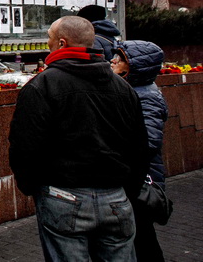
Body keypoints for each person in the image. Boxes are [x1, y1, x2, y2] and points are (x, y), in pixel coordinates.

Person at [9, 16, 149, 262]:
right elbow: (139, 146)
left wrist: (33, 188)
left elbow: (25, 147)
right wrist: (128, 189)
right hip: (115, 198)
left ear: (62, 43)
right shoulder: (122, 87)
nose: (47, 43)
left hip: (63, 196)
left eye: (49, 38)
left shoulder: (42, 86)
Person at [110, 40, 169, 262]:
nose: (113, 61)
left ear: (136, 66)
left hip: (141, 179)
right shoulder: (132, 89)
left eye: (120, 58)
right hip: (134, 176)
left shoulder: (146, 96)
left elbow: (149, 141)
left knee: (142, 237)